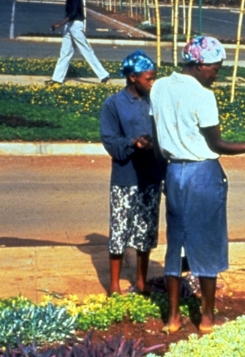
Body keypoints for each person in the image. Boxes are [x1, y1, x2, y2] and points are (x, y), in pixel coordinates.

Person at [150, 36, 245, 334]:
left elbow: (157, 141)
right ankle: (207, 318)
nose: (217, 74)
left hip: (174, 173)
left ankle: (172, 319)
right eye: (215, 68)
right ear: (199, 64)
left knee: (176, 243)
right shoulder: (203, 95)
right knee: (206, 244)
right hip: (202, 174)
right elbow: (217, 144)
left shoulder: (159, 86)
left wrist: (166, 174)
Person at [100, 50, 165, 296]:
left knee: (145, 232)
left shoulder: (154, 102)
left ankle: (141, 281)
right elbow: (109, 139)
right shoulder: (113, 104)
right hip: (125, 178)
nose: (152, 82)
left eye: (153, 78)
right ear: (132, 77)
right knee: (119, 230)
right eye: (148, 78)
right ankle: (114, 285)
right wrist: (132, 144)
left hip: (151, 175)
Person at [48, 0, 110, 85]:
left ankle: (104, 75)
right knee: (65, 52)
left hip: (75, 25)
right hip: (69, 24)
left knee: (86, 51)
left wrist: (59, 24)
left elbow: (73, 13)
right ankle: (57, 78)